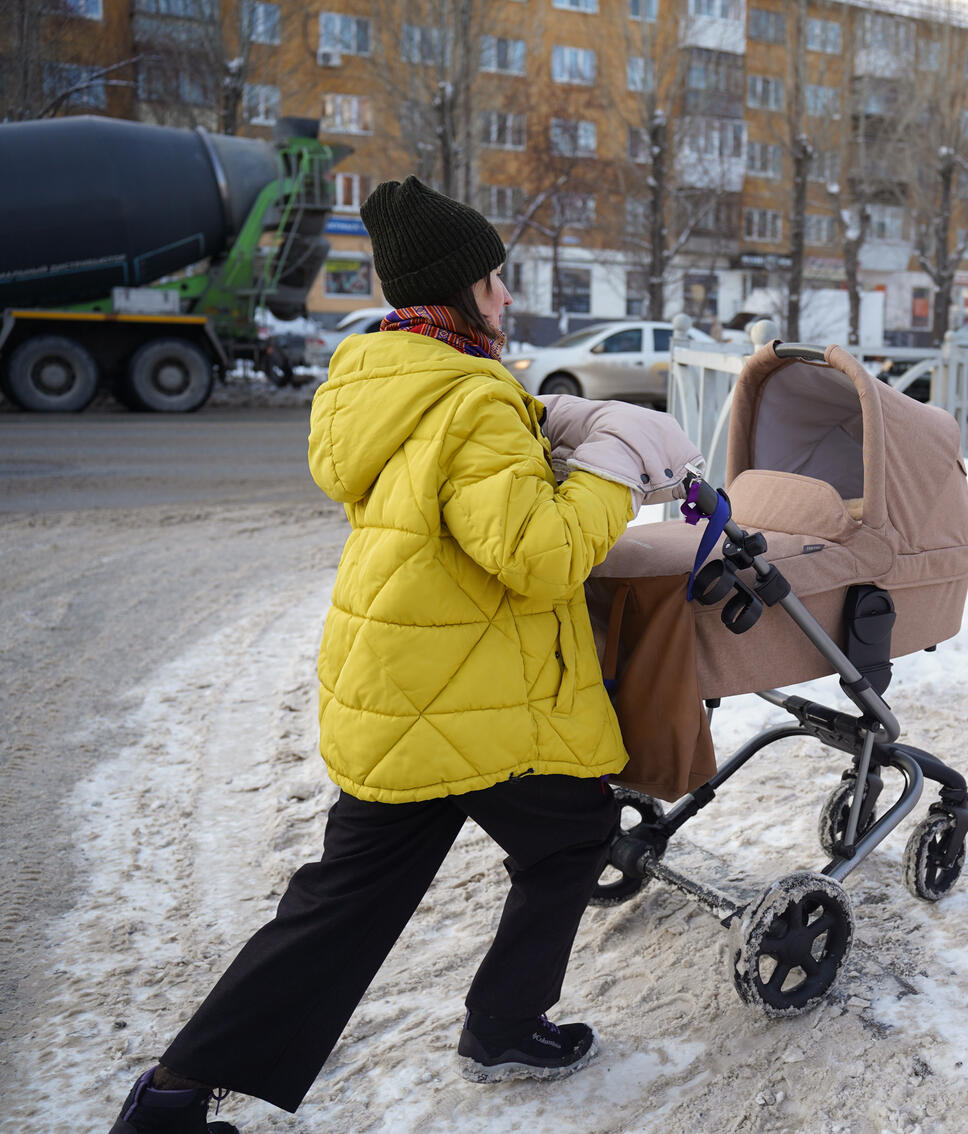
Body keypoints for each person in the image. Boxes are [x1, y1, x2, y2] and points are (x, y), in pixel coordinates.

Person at [109, 176, 699, 1134]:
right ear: (459, 292)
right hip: (460, 692)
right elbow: (537, 555)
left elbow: (454, 489)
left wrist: (539, 426)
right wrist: (610, 467)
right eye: (496, 282)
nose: (508, 299)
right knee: (571, 836)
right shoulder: (467, 399)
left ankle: (170, 1099)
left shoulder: (388, 375)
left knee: (344, 901)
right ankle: (504, 1025)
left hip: (409, 678)